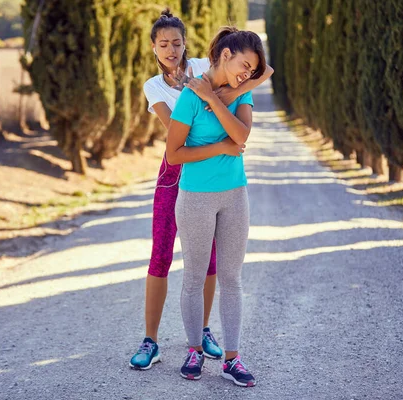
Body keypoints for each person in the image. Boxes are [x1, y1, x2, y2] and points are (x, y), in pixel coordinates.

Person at [129, 10, 271, 371]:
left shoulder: (202, 68)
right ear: (153, 48)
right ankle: (151, 340)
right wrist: (212, 100)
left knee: (212, 263)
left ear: (186, 45)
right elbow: (177, 134)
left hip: (219, 178)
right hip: (178, 172)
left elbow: (261, 73)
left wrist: (221, 91)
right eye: (163, 45)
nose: (171, 50)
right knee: (161, 254)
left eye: (177, 43)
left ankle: (203, 333)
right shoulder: (155, 87)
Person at [166, 26, 270, 387]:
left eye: (251, 70)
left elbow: (241, 136)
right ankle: (194, 350)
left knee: (231, 279)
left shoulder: (240, 94)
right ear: (225, 55)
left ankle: (232, 358)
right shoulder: (189, 98)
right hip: (194, 197)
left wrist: (215, 97)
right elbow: (173, 153)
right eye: (244, 64)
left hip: (234, 195)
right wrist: (218, 146)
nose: (247, 74)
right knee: (194, 277)